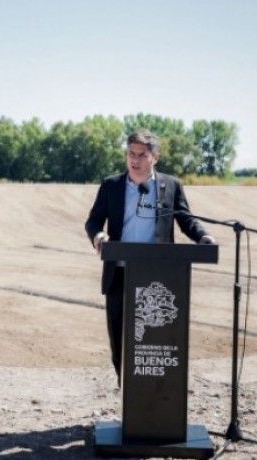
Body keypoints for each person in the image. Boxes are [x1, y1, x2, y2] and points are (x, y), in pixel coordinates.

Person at [84, 129, 216, 385]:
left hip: (158, 279)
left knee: (155, 338)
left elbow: (185, 219)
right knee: (119, 337)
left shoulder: (170, 186)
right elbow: (93, 220)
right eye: (130, 154)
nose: (134, 160)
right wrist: (99, 235)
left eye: (141, 155)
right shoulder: (111, 185)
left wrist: (203, 236)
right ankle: (125, 387)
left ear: (155, 156)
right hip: (119, 274)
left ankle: (155, 394)